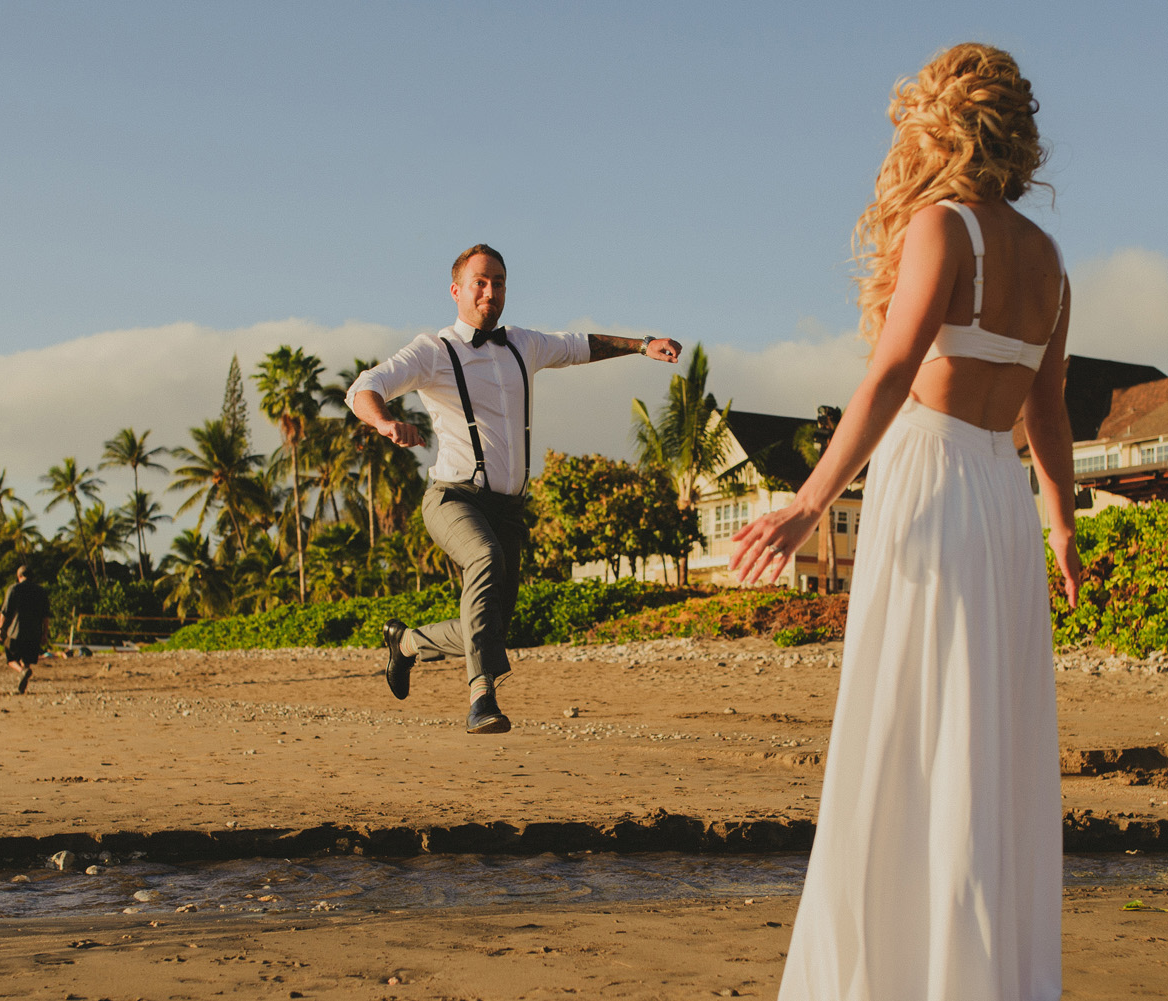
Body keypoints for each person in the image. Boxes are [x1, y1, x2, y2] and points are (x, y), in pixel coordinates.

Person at [728, 44, 1082, 1000]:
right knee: (983, 731)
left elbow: (888, 374)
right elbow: (1046, 411)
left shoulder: (944, 228)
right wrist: (1059, 519)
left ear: (941, 126)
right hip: (1000, 497)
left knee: (907, 726)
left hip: (927, 483)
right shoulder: (1048, 260)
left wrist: (808, 502)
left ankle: (901, 969)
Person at [347, 244, 682, 733]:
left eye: (499, 282)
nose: (490, 291)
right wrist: (384, 422)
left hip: (508, 508)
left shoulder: (523, 344)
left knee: (493, 627)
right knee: (484, 559)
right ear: (456, 290)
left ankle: (406, 644)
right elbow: (364, 386)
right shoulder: (434, 350)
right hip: (452, 497)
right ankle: (481, 699)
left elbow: (582, 345)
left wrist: (642, 343)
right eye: (480, 282)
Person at [0, 562, 50, 694]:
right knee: (27, 659)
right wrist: (44, 634)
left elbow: (4, 612)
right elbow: (45, 616)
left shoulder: (14, 589)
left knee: (11, 659)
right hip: (34, 632)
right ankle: (24, 672)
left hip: (16, 631)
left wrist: (0, 629)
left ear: (19, 576)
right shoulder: (41, 591)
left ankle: (22, 671)